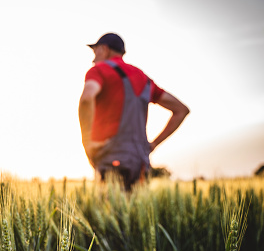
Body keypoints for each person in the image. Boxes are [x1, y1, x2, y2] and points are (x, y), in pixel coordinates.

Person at [78, 33, 189, 191]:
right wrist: (153, 144)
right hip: (140, 161)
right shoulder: (143, 78)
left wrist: (87, 141)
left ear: (104, 49)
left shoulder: (99, 71)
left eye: (95, 51)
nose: (93, 58)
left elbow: (86, 99)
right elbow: (181, 110)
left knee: (109, 212)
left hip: (110, 158)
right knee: (136, 213)